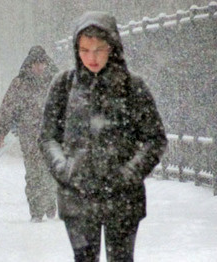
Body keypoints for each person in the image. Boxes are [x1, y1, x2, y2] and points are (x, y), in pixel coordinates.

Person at [38, 12, 167, 261]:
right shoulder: (64, 85)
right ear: (76, 50)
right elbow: (47, 137)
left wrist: (129, 173)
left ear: (112, 47)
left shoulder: (133, 87)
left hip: (123, 199)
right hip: (77, 197)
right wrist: (64, 168)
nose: (92, 57)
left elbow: (155, 139)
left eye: (98, 49)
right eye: (85, 50)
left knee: (121, 258)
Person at [0, 45, 58, 223]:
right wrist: (1, 131)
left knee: (51, 172)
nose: (38, 67)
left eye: (41, 63)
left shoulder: (55, 81)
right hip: (29, 137)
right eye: (35, 64)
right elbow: (8, 108)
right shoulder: (20, 84)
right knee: (33, 174)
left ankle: (50, 203)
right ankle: (36, 210)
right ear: (29, 65)